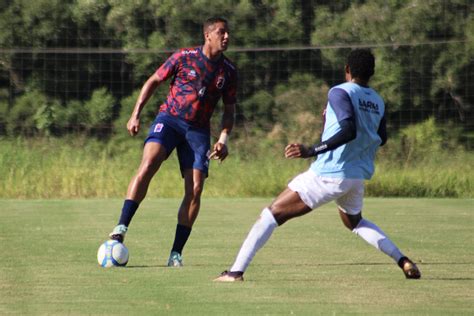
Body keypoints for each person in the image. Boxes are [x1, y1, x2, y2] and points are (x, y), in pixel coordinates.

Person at [214, 49, 420, 282]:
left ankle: (235, 272)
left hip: (329, 174)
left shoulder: (339, 91)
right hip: (355, 176)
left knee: (270, 215)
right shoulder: (377, 101)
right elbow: (381, 138)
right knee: (355, 222)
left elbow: (349, 130)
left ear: (347, 70)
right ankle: (402, 260)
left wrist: (311, 150)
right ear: (371, 73)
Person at [108, 17, 237, 267]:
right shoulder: (183, 56)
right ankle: (120, 227)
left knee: (196, 188)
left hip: (198, 131)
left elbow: (230, 109)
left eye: (228, 33)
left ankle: (175, 254)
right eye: (221, 32)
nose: (226, 37)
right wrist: (135, 114)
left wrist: (223, 139)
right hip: (170, 119)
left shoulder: (229, 71)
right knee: (149, 163)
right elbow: (153, 81)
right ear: (207, 35)